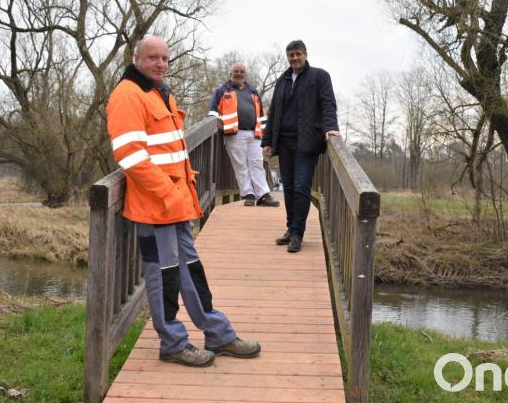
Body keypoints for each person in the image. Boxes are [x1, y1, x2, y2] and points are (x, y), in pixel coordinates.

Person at [107, 35, 261, 367]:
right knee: (164, 276)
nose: (160, 64)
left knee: (192, 270)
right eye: (153, 58)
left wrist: (178, 197)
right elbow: (130, 156)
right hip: (154, 207)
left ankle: (217, 333)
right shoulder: (127, 97)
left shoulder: (158, 93)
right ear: (137, 58)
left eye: (165, 58)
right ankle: (173, 342)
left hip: (174, 204)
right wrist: (167, 193)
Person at [261, 40, 341, 253]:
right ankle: (290, 229)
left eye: (298, 54)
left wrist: (331, 127)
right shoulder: (283, 80)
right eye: (291, 55)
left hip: (307, 141)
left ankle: (298, 233)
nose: (294, 58)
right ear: (288, 58)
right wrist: (268, 141)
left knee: (301, 187)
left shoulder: (319, 76)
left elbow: (328, 104)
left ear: (305, 54)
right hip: (284, 141)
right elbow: (274, 112)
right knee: (288, 187)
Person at [208, 63, 280, 207]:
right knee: (241, 165)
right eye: (236, 71)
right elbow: (213, 112)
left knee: (257, 163)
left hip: (255, 133)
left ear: (245, 74)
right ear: (231, 74)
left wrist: (266, 137)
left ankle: (263, 195)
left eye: (242, 72)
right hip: (234, 134)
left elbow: (261, 115)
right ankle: (249, 194)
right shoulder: (222, 90)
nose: (239, 74)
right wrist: (213, 125)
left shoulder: (253, 91)